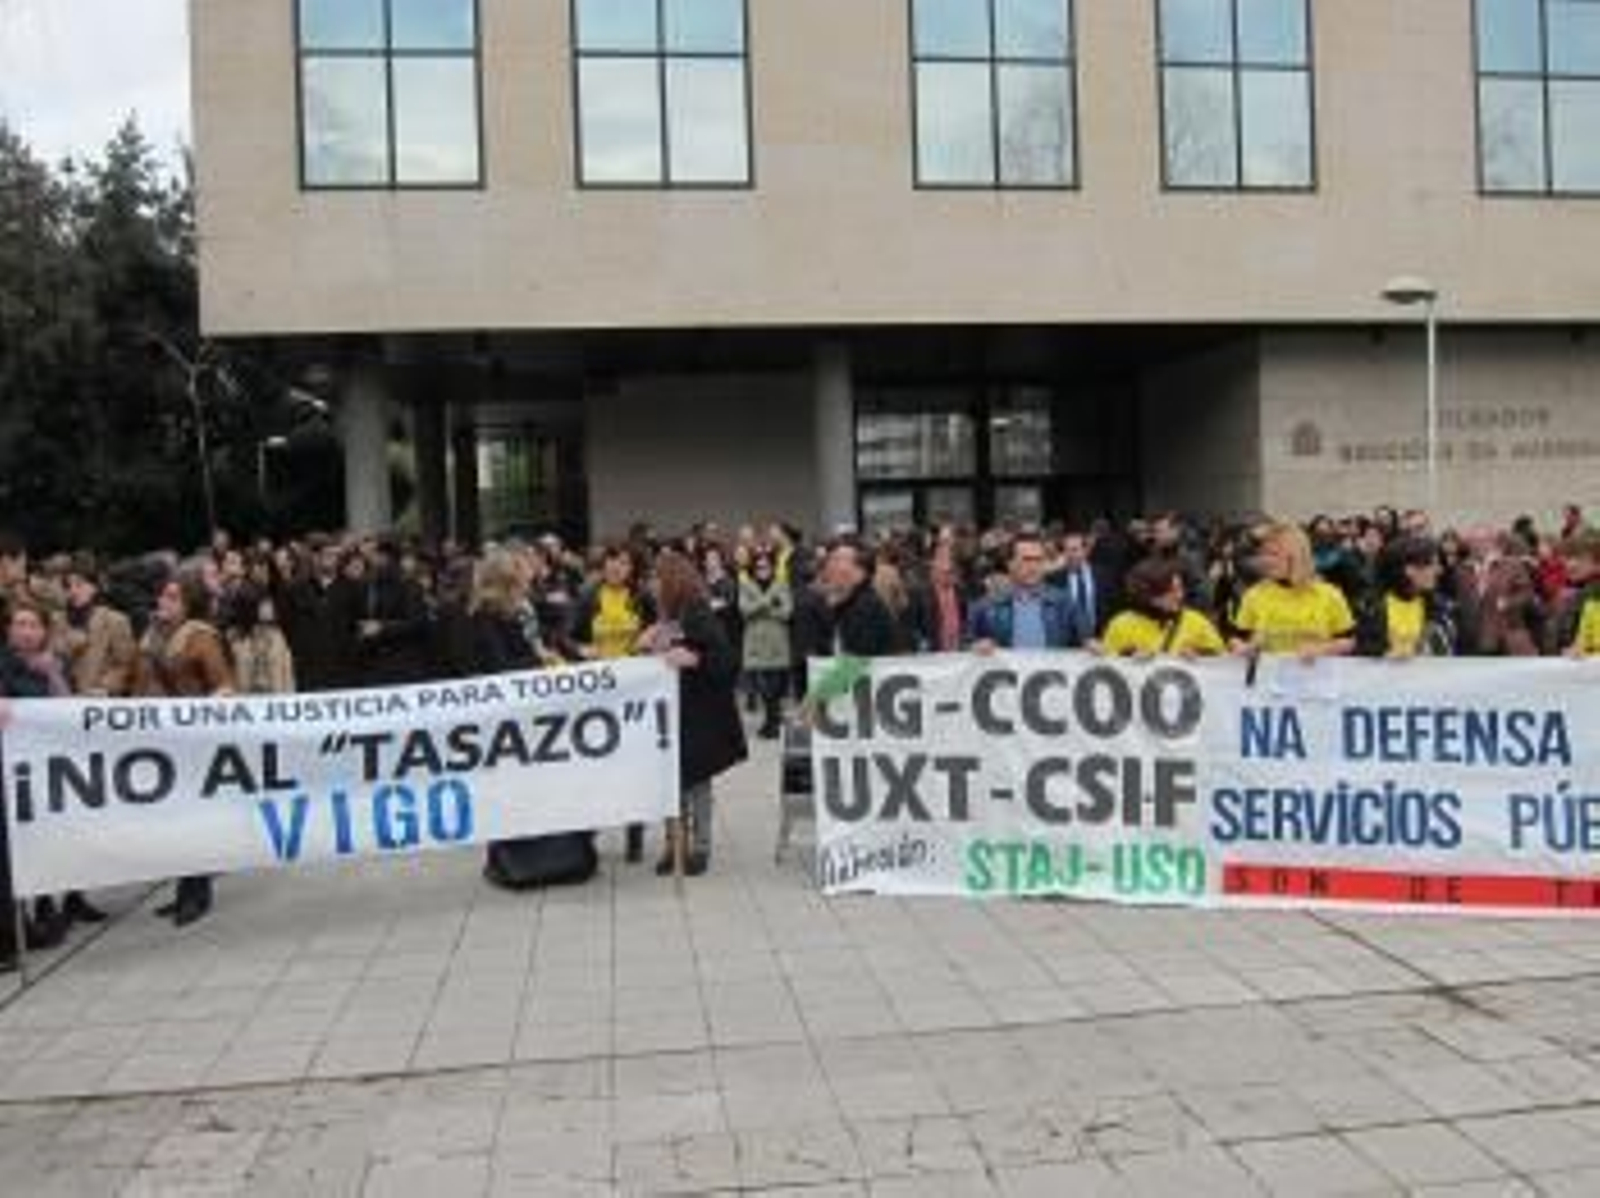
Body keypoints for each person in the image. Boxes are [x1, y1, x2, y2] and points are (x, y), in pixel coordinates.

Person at [470, 550, 599, 889]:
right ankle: (516, 861)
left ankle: (561, 854)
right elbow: (499, 669)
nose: (530, 582)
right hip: (507, 720)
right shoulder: (484, 618)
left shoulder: (520, 611)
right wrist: (540, 663)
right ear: (507, 583)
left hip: (537, 715)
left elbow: (548, 637)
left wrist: (571, 655)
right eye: (523, 578)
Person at [138, 569, 235, 926]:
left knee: (193, 814)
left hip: (193, 741)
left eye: (173, 596)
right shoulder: (152, 635)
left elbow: (223, 684)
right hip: (160, 739)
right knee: (173, 815)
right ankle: (184, 888)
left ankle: (198, 894)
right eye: (163, 595)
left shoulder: (201, 637)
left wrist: (205, 714)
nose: (163, 601)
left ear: (190, 602)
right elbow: (136, 676)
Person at [642, 551, 746, 877]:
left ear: (672, 580)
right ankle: (674, 844)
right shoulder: (667, 614)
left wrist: (695, 659)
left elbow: (726, 659)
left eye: (657, 578)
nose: (651, 584)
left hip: (700, 712)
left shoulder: (698, 612)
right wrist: (647, 644)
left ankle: (700, 847)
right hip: (675, 710)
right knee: (670, 780)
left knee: (697, 780)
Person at [569, 544, 657, 861]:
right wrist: (580, 651)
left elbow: (663, 630)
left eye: (624, 563)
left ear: (631, 568)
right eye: (612, 562)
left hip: (636, 691)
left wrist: (649, 645)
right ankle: (589, 832)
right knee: (598, 763)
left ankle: (635, 833)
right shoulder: (588, 596)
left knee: (633, 764)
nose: (617, 568)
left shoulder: (644, 597)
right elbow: (567, 636)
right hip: (597, 693)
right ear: (603, 566)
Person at [0, 598, 78, 951]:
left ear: (45, 631)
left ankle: (44, 910)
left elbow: (68, 711)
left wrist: (52, 674)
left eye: (34, 625)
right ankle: (18, 926)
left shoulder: (54, 665)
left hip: (46, 771)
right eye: (20, 624)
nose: (27, 631)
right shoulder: (3, 664)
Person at [1230, 523, 1357, 660]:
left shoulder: (1329, 594)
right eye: (1264, 554)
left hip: (1319, 678)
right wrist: (1244, 649)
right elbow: (1236, 639)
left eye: (1274, 554)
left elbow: (1349, 641)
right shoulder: (1254, 595)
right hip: (1268, 679)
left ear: (1296, 556)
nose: (1266, 561)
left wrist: (1321, 649)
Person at [969, 533, 1080, 652]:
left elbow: (1081, 642)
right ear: (1010, 564)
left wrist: (1091, 646)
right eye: (1026, 560)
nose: (1033, 567)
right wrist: (975, 647)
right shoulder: (986, 606)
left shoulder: (1064, 603)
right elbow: (961, 647)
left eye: (1038, 560)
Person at [1094, 558, 1225, 658]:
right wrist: (1126, 655)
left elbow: (1223, 659)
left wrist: (1199, 653)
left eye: (1180, 588)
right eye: (1171, 591)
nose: (1180, 595)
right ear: (1149, 596)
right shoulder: (1121, 624)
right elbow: (1109, 667)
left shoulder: (1196, 622)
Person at [279, 536, 359, 692]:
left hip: (343, 669)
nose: (332, 559)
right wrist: (300, 650)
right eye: (327, 554)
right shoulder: (294, 589)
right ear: (314, 557)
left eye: (335, 555)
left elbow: (355, 625)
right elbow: (287, 625)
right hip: (308, 668)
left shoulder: (352, 588)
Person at [1357, 536, 1458, 658]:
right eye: (1432, 564)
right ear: (1409, 570)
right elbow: (1365, 651)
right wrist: (1385, 655)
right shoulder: (1371, 607)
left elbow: (1446, 652)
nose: (1439, 570)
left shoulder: (1442, 608)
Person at [61, 554, 139, 698]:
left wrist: (105, 688)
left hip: (100, 702)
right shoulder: (58, 621)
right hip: (64, 701)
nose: (73, 591)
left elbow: (126, 664)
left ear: (94, 587)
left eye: (79, 584)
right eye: (68, 586)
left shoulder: (115, 620)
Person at [739, 549, 793, 739]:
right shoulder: (746, 585)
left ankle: (772, 722)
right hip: (755, 642)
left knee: (776, 687)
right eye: (758, 567)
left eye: (766, 566)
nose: (762, 570)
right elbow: (744, 611)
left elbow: (787, 612)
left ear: (772, 567)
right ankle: (771, 722)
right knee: (763, 687)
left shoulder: (782, 584)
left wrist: (760, 607)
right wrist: (769, 602)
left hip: (777, 641)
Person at [223, 583, 297, 695]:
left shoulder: (278, 637)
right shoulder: (235, 640)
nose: (271, 607)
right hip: (246, 703)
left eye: (269, 602)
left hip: (276, 704)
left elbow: (288, 677)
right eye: (265, 603)